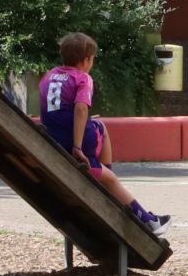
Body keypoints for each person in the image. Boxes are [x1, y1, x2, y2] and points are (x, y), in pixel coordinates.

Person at [39, 32, 170, 233]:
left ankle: (106, 177)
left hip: (52, 137)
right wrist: (76, 145)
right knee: (102, 135)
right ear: (86, 60)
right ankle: (148, 220)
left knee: (100, 129)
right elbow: (81, 109)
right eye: (93, 59)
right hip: (73, 139)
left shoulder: (49, 75)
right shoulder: (83, 78)